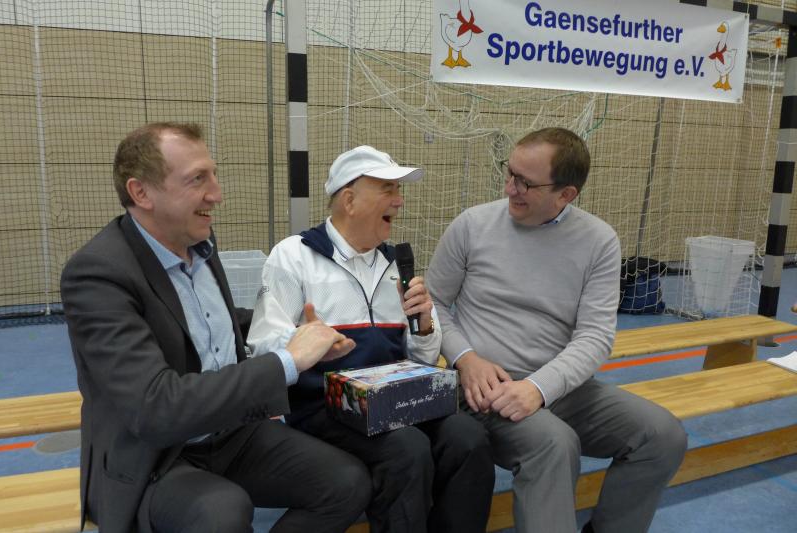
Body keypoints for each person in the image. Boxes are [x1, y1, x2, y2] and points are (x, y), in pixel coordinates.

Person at [60, 122, 371, 533]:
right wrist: (287, 360)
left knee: (347, 483)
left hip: (232, 434)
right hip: (156, 456)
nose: (217, 194)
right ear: (141, 193)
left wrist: (293, 334)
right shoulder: (98, 274)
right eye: (197, 179)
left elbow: (211, 323)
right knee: (221, 512)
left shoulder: (200, 243)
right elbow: (156, 408)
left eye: (214, 174)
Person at [426, 128, 687, 533]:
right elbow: (433, 305)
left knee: (663, 435)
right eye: (510, 173)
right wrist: (466, 358)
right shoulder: (471, 226)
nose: (510, 188)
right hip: (484, 389)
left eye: (526, 183)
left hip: (559, 387)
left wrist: (539, 388)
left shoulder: (598, 241)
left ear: (566, 194)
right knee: (552, 445)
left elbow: (595, 337)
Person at [247, 145, 495, 533]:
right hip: (322, 408)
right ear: (349, 200)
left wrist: (424, 326)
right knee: (406, 448)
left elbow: (422, 361)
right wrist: (305, 343)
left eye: (399, 190)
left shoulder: (394, 264)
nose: (399, 201)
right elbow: (261, 348)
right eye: (388, 189)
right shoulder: (294, 256)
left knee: (469, 437)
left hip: (393, 402)